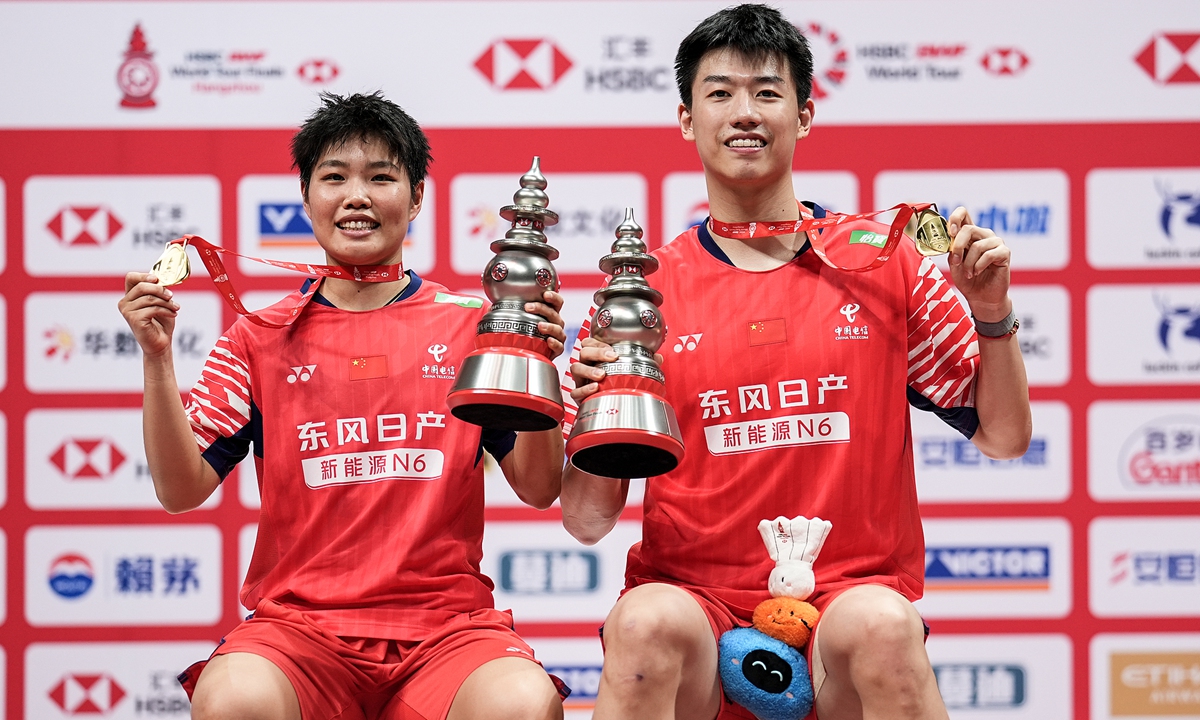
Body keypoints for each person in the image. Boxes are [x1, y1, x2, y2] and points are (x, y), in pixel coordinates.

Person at [559, 5, 1031, 720]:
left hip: (847, 603)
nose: (743, 112)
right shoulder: (639, 294)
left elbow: (1004, 437)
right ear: (686, 120)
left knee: (883, 625)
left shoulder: (888, 261)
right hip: (699, 605)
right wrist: (601, 408)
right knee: (644, 622)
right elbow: (587, 521)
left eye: (767, 93)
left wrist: (991, 313)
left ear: (805, 116)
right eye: (719, 93)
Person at [119, 92, 569, 720]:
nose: (356, 196)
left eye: (381, 177)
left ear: (415, 199)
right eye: (334, 178)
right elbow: (180, 488)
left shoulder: (476, 327)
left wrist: (534, 359)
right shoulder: (258, 336)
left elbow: (541, 486)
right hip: (299, 634)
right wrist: (157, 359)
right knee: (232, 699)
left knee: (522, 702)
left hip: (448, 632)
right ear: (305, 199)